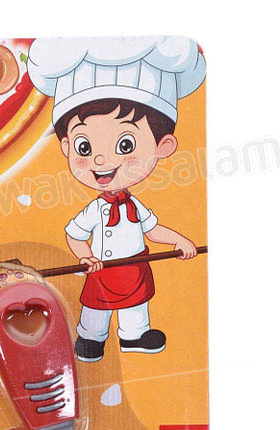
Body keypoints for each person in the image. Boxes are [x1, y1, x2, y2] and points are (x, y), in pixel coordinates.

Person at [26, 38, 205, 361]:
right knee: (96, 308)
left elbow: (152, 229)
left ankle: (135, 336)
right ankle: (90, 338)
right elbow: (74, 234)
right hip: (102, 269)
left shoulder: (135, 205)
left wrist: (179, 240)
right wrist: (85, 257)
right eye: (84, 147)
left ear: (163, 146)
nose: (100, 160)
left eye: (125, 145)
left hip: (134, 267)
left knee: (137, 306)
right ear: (66, 146)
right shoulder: (96, 209)